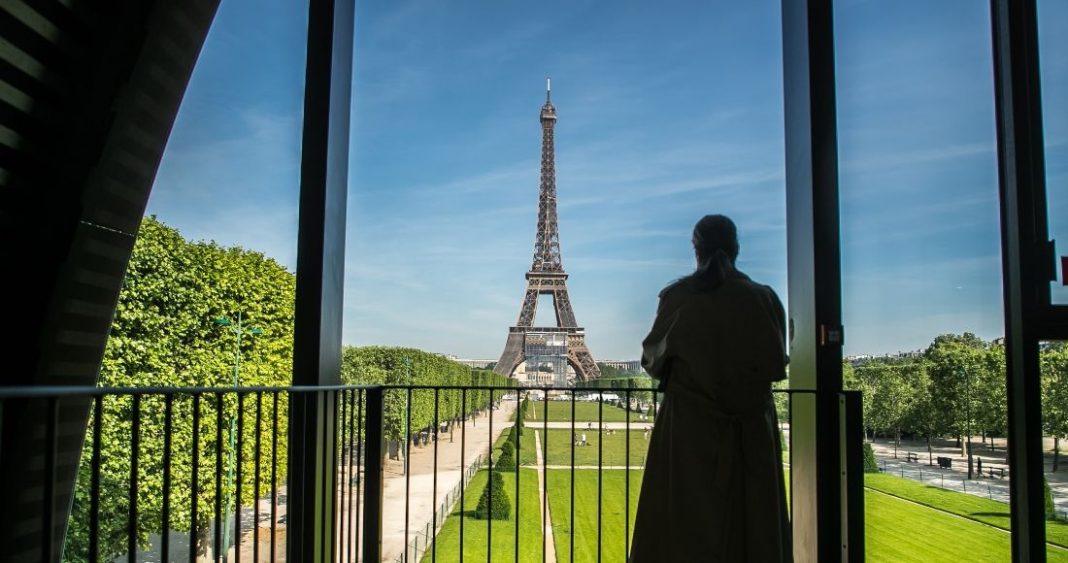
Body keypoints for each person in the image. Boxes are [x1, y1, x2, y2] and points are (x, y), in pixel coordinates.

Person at [629, 215, 791, 562]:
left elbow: (653, 362)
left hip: (689, 432)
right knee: (753, 528)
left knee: (679, 528)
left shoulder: (677, 297)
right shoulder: (763, 298)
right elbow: (776, 365)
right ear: (736, 248)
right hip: (749, 434)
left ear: (696, 249)